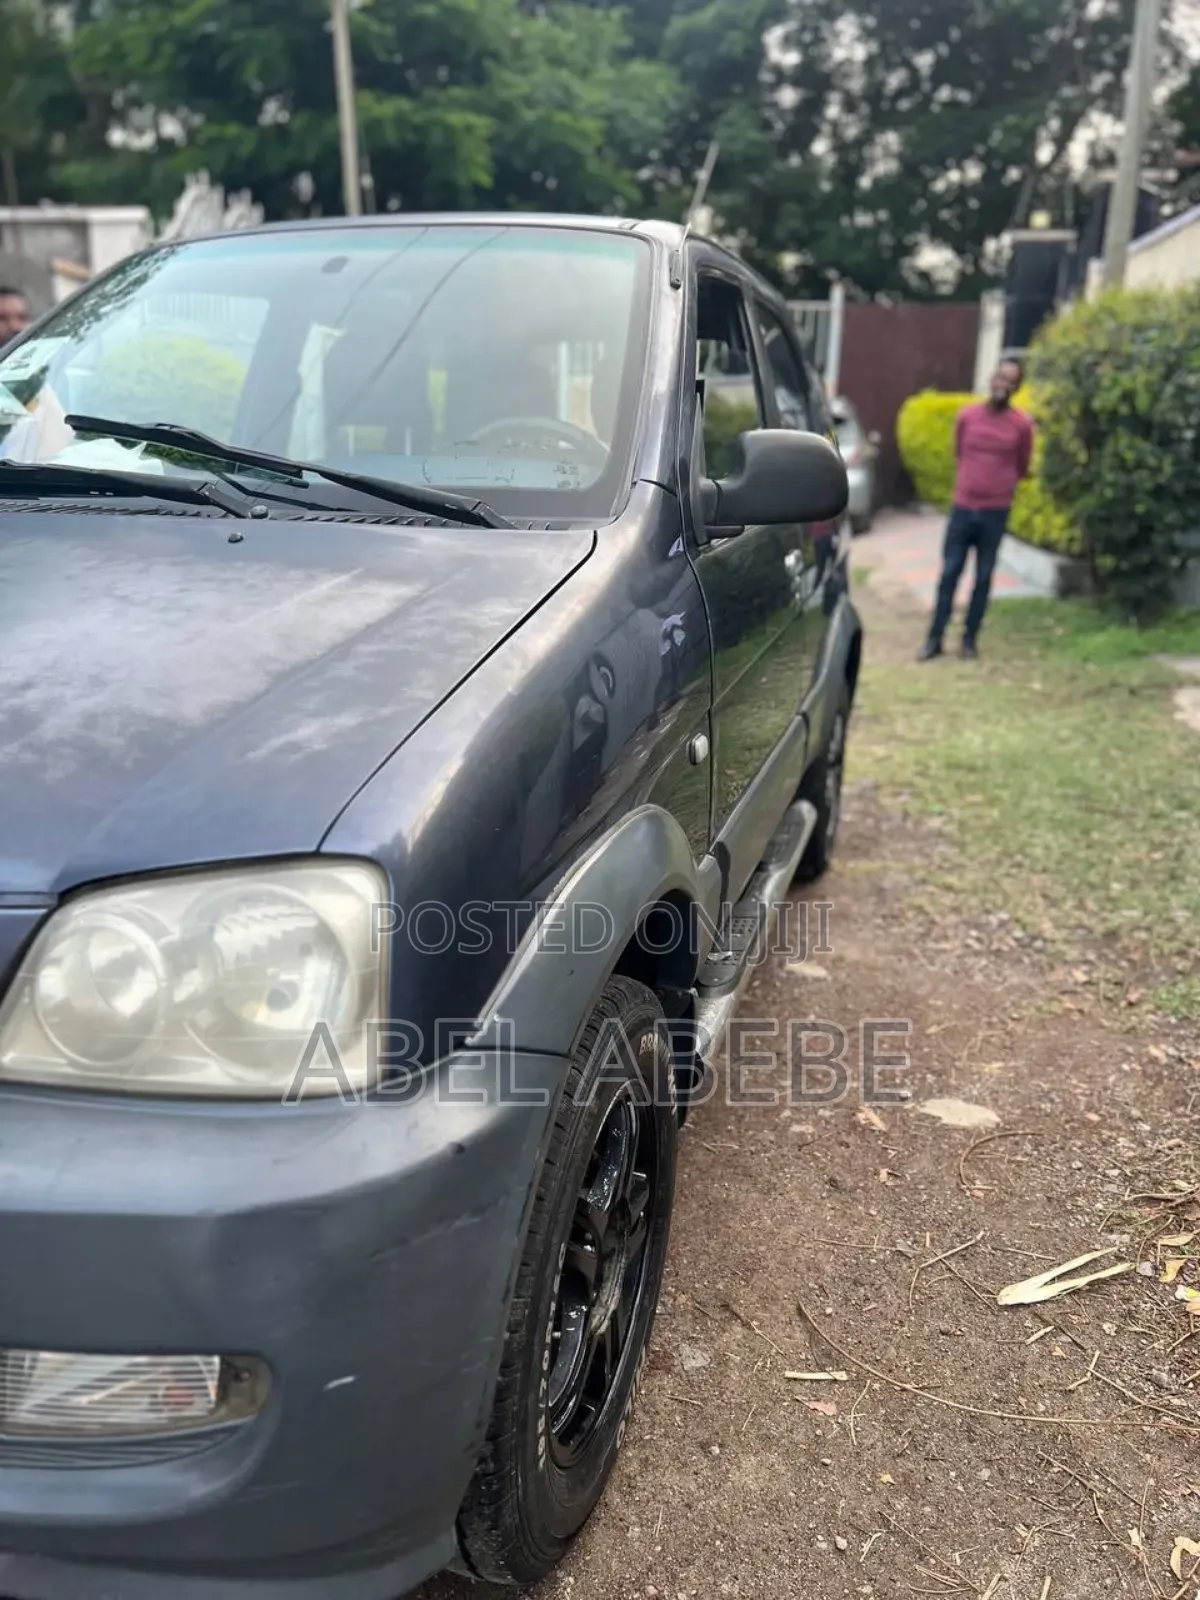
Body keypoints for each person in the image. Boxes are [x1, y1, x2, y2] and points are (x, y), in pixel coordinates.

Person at [919, 357, 1033, 661]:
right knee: (950, 573)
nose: (1003, 384)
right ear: (991, 379)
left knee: (983, 578)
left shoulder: (1021, 425)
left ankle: (969, 640)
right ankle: (934, 639)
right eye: (1000, 377)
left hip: (996, 512)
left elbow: (1022, 466)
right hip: (963, 508)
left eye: (1011, 380)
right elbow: (959, 453)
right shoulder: (968, 417)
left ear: (1017, 387)